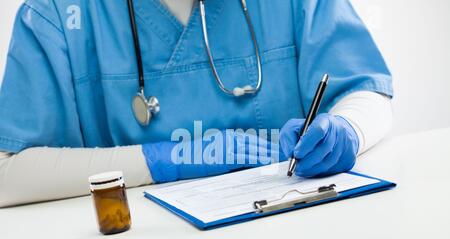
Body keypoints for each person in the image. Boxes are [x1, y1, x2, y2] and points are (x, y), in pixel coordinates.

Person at [0, 0, 393, 207]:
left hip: (290, 232)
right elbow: (9, 174)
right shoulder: (58, 14)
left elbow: (364, 88)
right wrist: (160, 160)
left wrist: (348, 130)